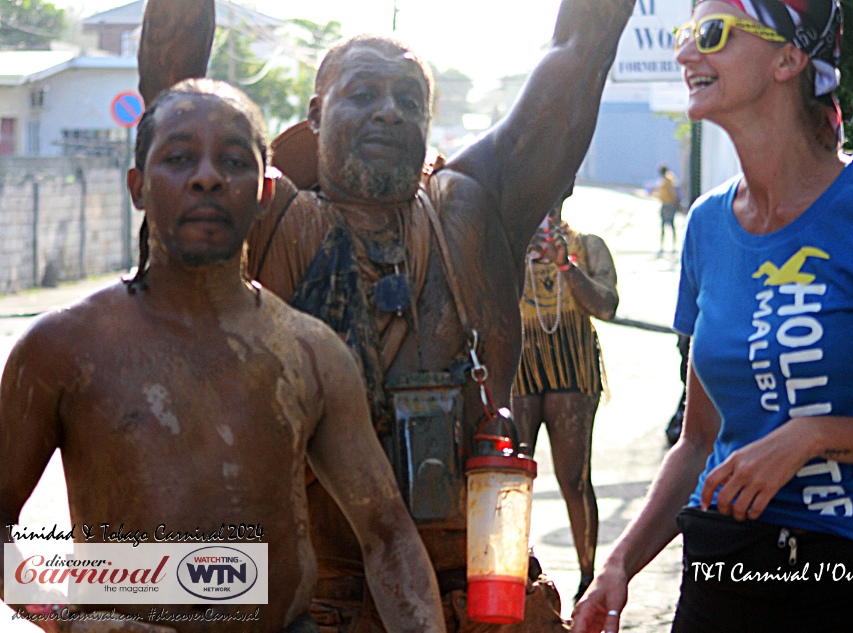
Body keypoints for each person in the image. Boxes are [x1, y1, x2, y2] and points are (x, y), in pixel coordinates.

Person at [137, 0, 635, 631]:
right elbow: (172, 97)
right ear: (316, 116)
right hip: (313, 603)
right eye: (362, 92)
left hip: (482, 601)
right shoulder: (263, 221)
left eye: (408, 97)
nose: (389, 110)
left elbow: (580, 53)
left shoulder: (475, 213)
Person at [0, 79, 444, 633]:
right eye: (180, 158)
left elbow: (388, 534)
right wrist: (69, 621)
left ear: (263, 192)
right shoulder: (60, 349)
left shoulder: (310, 354)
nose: (207, 177)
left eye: (234, 161)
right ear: (138, 187)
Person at [573, 0, 853, 631]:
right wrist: (619, 565)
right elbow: (698, 439)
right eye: (686, 32)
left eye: (712, 32)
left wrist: (814, 432)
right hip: (722, 572)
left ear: (788, 57)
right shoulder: (705, 226)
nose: (685, 51)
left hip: (850, 580)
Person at [512, 185, 619, 604]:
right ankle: (511, 571)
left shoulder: (587, 245)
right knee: (513, 478)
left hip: (572, 367)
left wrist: (565, 265)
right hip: (520, 365)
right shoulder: (506, 243)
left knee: (574, 478)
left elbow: (607, 305)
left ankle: (588, 576)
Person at [654, 166, 680, 256]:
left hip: (669, 205)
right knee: (664, 226)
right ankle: (663, 246)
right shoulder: (665, 180)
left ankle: (673, 246)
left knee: (670, 225)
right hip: (665, 204)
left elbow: (673, 192)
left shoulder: (668, 180)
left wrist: (675, 203)